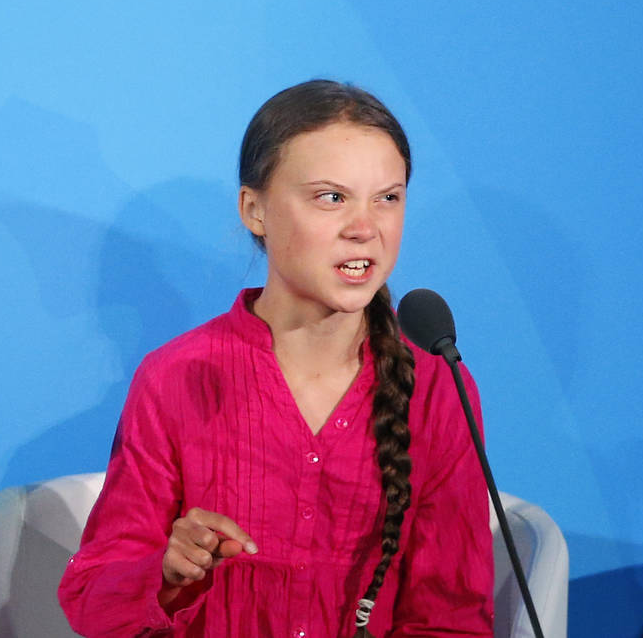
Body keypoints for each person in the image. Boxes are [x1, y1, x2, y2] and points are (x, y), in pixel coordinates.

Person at [58, 80, 495, 637]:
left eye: (388, 197)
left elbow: (452, 619)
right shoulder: (175, 377)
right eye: (331, 197)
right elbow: (92, 600)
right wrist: (166, 574)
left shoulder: (437, 387)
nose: (366, 229)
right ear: (254, 209)